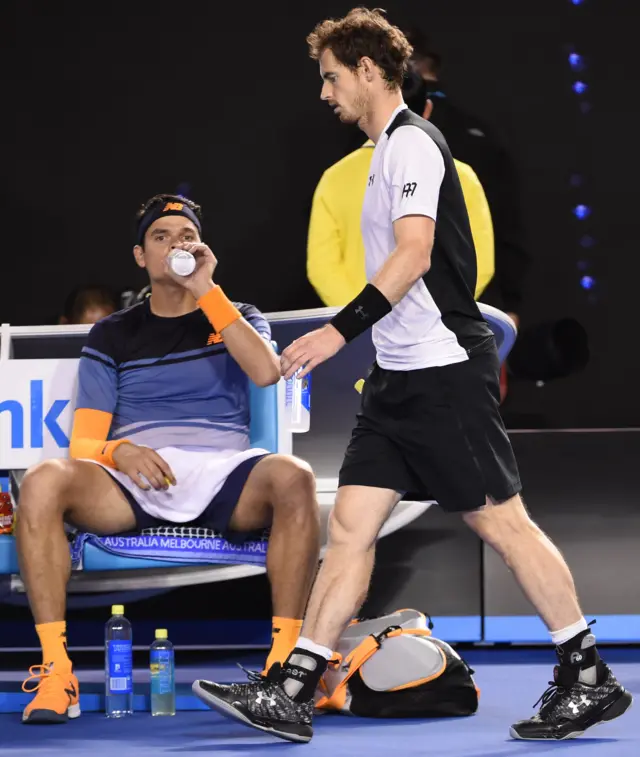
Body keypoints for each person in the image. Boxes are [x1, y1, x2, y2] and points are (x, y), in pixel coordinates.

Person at [193, 9, 632, 743]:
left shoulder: (413, 148)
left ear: (369, 71)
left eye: (331, 76)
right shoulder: (379, 157)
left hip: (444, 375)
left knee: (504, 523)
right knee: (353, 532)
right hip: (397, 381)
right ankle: (295, 687)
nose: (325, 92)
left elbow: (414, 255)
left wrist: (338, 331)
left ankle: (586, 673)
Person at [16, 193, 320, 724]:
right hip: (134, 478)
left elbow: (267, 373)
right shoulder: (112, 333)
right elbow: (85, 445)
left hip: (222, 471)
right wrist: (122, 450)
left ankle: (282, 672)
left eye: (186, 236)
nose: (176, 244)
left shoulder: (235, 314)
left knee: (294, 476)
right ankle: (57, 672)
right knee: (44, 480)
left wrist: (207, 291)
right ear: (140, 256)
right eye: (162, 236)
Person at [307, 77, 494, 307]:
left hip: (359, 333)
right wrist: (435, 312)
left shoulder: (335, 178)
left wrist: (360, 318)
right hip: (435, 334)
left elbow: (322, 267)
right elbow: (479, 262)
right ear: (427, 109)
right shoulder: (462, 177)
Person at [404, 26, 530, 330]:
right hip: (478, 310)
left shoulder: (381, 137)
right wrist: (511, 303)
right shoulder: (482, 134)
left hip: (399, 314)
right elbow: (508, 224)